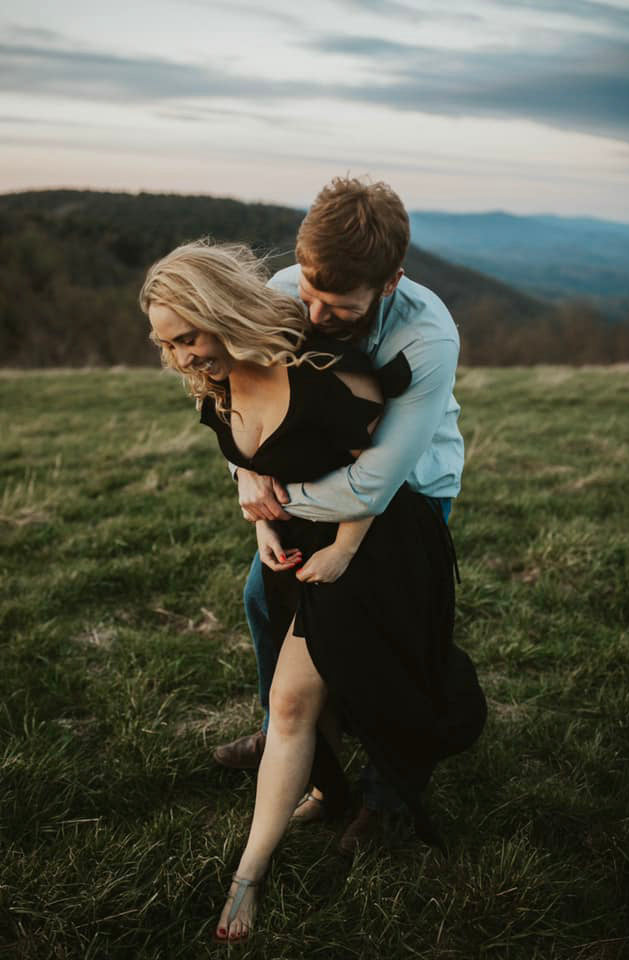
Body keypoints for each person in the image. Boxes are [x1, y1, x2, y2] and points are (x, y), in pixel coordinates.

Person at [140, 236, 486, 943]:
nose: (176, 357)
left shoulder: (346, 364)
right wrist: (255, 513)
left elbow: (378, 477)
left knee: (323, 689)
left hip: (372, 537)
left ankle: (300, 843)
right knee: (264, 620)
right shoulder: (217, 369)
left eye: (185, 338)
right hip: (297, 537)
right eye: (163, 343)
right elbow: (242, 452)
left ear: (217, 312)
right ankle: (320, 781)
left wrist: (346, 550)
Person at [215, 176, 469, 852]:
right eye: (310, 294)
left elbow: (376, 485)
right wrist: (247, 474)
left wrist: (273, 498)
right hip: (315, 477)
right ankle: (294, 741)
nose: (317, 315)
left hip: (410, 491)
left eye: (339, 305)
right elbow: (244, 406)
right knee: (264, 601)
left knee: (383, 635)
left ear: (390, 282)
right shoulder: (283, 293)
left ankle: (388, 797)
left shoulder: (427, 336)